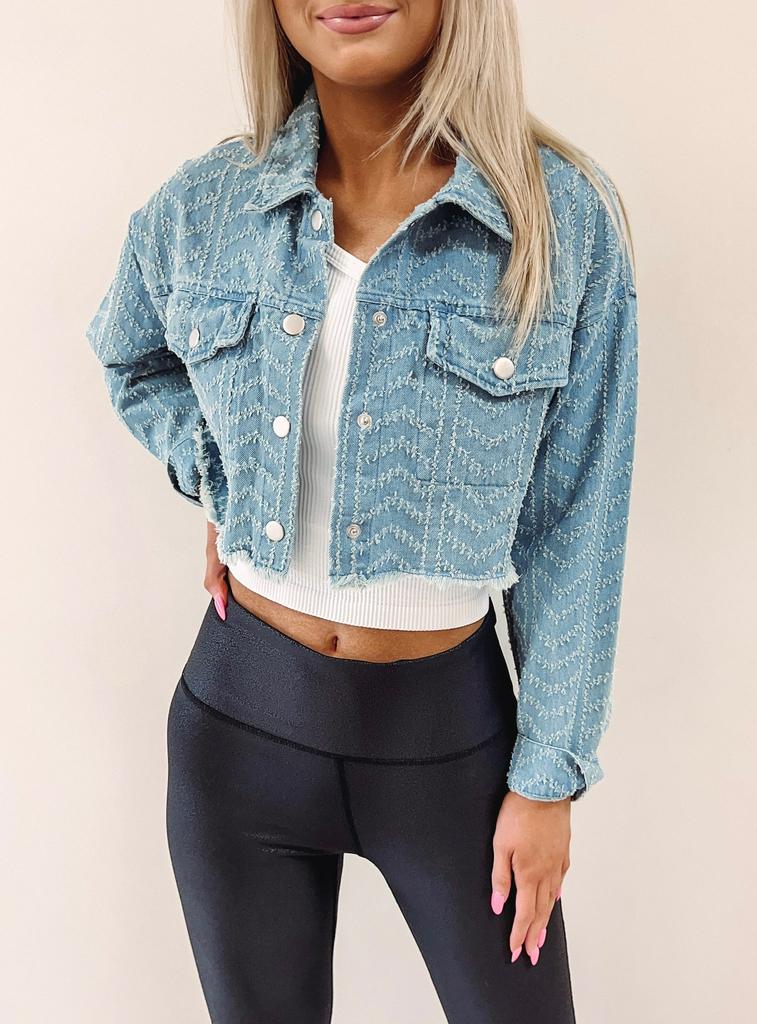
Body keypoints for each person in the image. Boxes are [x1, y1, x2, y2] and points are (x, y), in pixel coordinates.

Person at [85, 1, 639, 1021]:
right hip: (237, 726)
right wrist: (224, 473)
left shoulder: (561, 219)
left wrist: (548, 779)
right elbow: (131, 355)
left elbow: (578, 520)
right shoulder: (207, 204)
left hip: (453, 748)